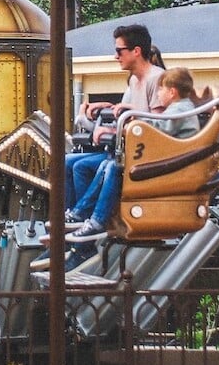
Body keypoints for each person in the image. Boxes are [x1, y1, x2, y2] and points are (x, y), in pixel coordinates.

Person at [65, 67, 219, 245]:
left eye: (160, 89)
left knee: (114, 166)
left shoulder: (180, 110)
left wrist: (134, 119)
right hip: (168, 161)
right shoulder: (180, 108)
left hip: (172, 166)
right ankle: (85, 214)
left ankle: (95, 219)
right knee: (109, 165)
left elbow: (157, 128)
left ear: (172, 92)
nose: (158, 94)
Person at [64, 24, 165, 222]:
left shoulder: (157, 78)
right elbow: (128, 116)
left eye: (119, 51)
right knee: (68, 162)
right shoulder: (134, 81)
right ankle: (70, 216)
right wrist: (109, 113)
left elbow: (157, 127)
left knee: (85, 166)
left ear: (136, 51)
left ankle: (83, 218)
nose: (115, 56)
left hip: (142, 154)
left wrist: (126, 118)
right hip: (126, 149)